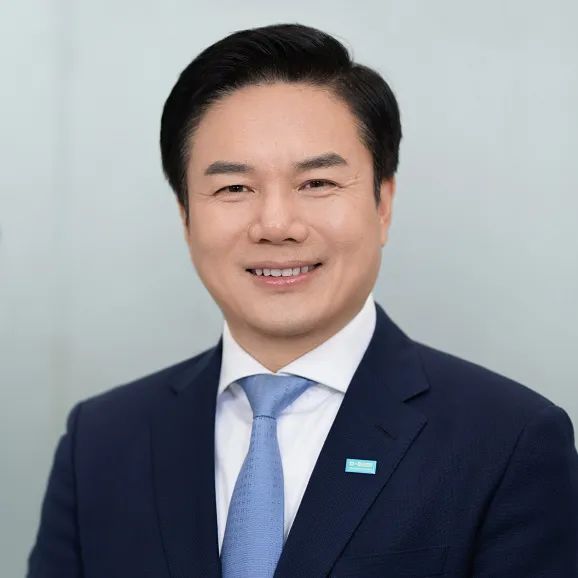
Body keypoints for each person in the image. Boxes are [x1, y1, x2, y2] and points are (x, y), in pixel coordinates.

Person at [28, 23, 578, 578]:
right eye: (234, 188)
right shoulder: (100, 443)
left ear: (382, 204)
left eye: (317, 183)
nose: (276, 224)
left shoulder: (509, 441)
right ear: (185, 217)